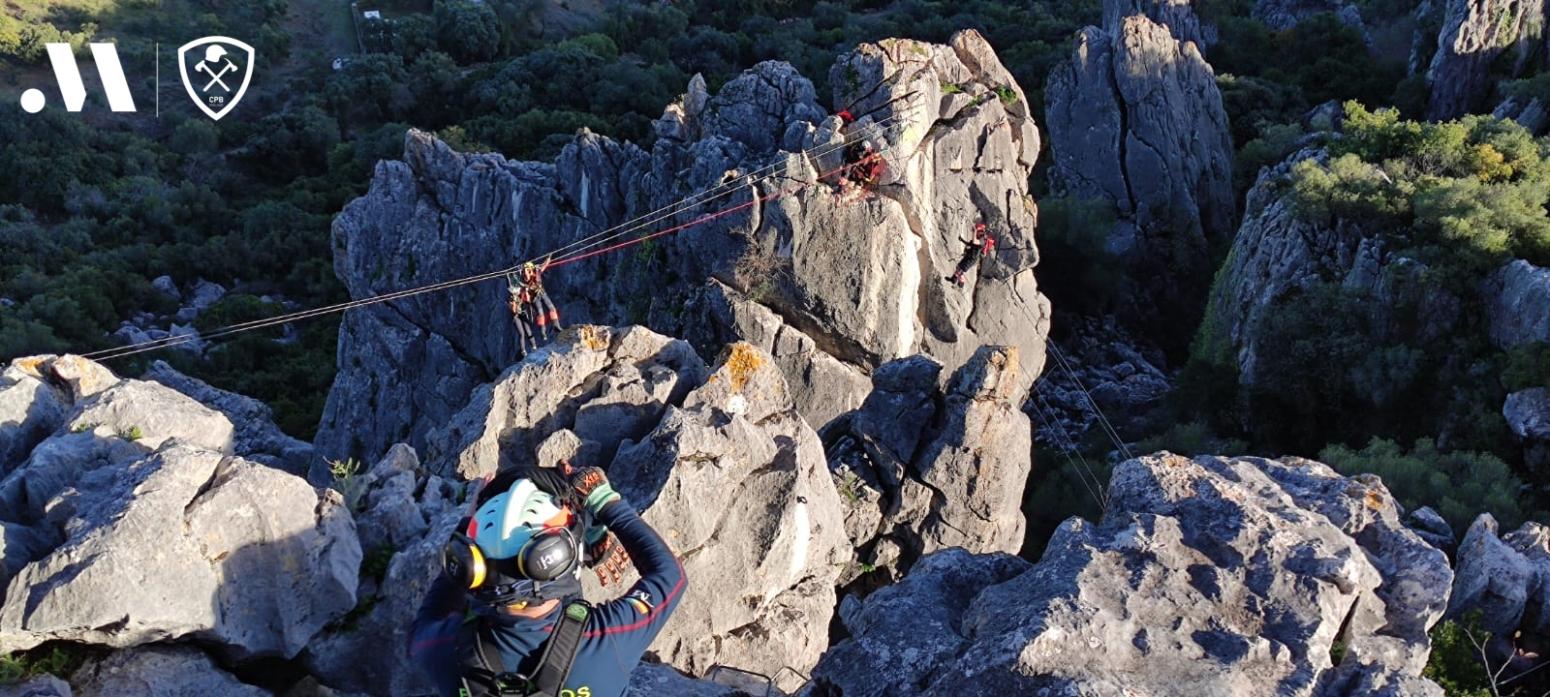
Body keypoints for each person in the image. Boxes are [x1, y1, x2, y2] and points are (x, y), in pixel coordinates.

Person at [409, 464, 684, 697]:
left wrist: (468, 524)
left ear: (473, 567)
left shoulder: (439, 649)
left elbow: (430, 615)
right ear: (557, 557)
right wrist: (603, 502)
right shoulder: (608, 639)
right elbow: (670, 576)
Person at [520, 260, 562, 339]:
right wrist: (526, 268)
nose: (528, 271)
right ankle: (543, 333)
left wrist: (548, 258)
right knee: (541, 314)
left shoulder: (537, 272)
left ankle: (556, 326)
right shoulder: (525, 277)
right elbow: (526, 275)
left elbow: (544, 266)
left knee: (552, 308)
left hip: (542, 293)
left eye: (529, 269)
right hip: (535, 297)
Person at [948, 221, 996, 287]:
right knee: (959, 267)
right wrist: (962, 240)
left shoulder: (982, 240)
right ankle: (953, 279)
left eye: (978, 231)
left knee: (961, 269)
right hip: (969, 256)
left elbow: (974, 241)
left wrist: (974, 231)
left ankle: (961, 282)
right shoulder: (979, 238)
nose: (977, 233)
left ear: (981, 232)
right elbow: (970, 244)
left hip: (972, 258)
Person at [507, 275, 538, 359]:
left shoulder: (520, 294)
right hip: (516, 316)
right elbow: (513, 311)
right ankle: (523, 351)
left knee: (528, 331)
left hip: (522, 314)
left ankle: (534, 346)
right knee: (522, 334)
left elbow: (525, 289)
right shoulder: (511, 299)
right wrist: (515, 304)